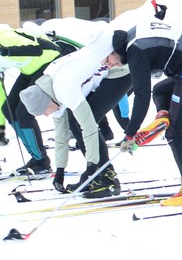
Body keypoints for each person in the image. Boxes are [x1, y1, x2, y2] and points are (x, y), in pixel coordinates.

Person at [106, 21, 182, 206]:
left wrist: (130, 133)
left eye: (107, 60)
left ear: (113, 51)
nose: (109, 65)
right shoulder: (130, 40)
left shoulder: (135, 52)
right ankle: (164, 116)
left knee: (175, 132)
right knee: (160, 90)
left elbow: (141, 94)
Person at [17, 33, 130, 198]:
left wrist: (91, 166)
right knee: (73, 122)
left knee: (79, 122)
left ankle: (106, 180)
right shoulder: (50, 91)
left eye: (44, 112)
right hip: (104, 72)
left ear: (46, 102)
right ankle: (98, 175)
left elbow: (89, 127)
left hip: (119, 72)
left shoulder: (64, 88)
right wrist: (60, 170)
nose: (47, 115)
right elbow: (61, 135)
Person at [0, 25, 74, 175]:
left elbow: (35, 49)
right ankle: (36, 157)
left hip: (49, 62)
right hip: (29, 70)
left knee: (23, 112)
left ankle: (42, 161)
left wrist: (7, 51)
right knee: (8, 110)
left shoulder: (4, 37)